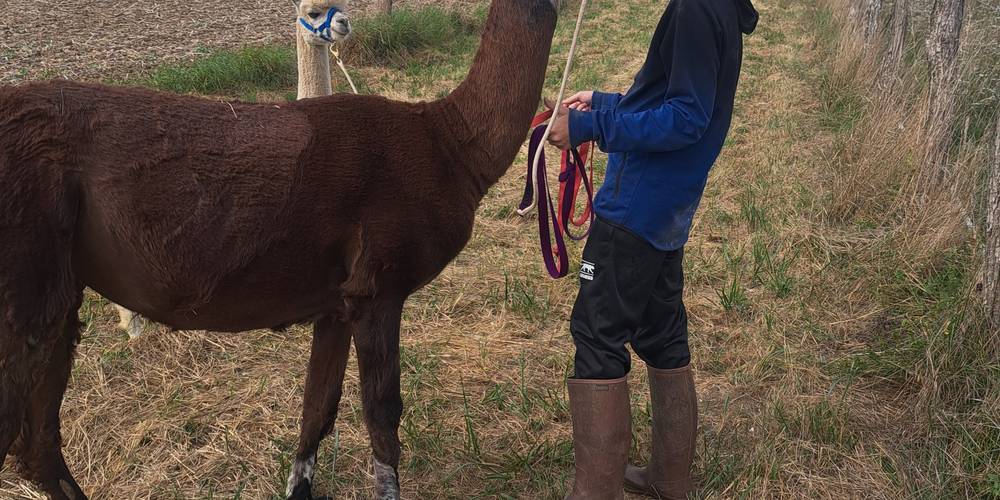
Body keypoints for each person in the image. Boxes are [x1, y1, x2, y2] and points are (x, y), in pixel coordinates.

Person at [545, 0, 759, 498]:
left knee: (597, 335)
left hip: (636, 209)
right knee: (662, 334)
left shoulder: (694, 8)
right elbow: (672, 97)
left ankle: (595, 491)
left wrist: (589, 128)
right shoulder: (714, 7)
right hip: (667, 209)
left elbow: (686, 117)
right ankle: (669, 479)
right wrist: (602, 103)